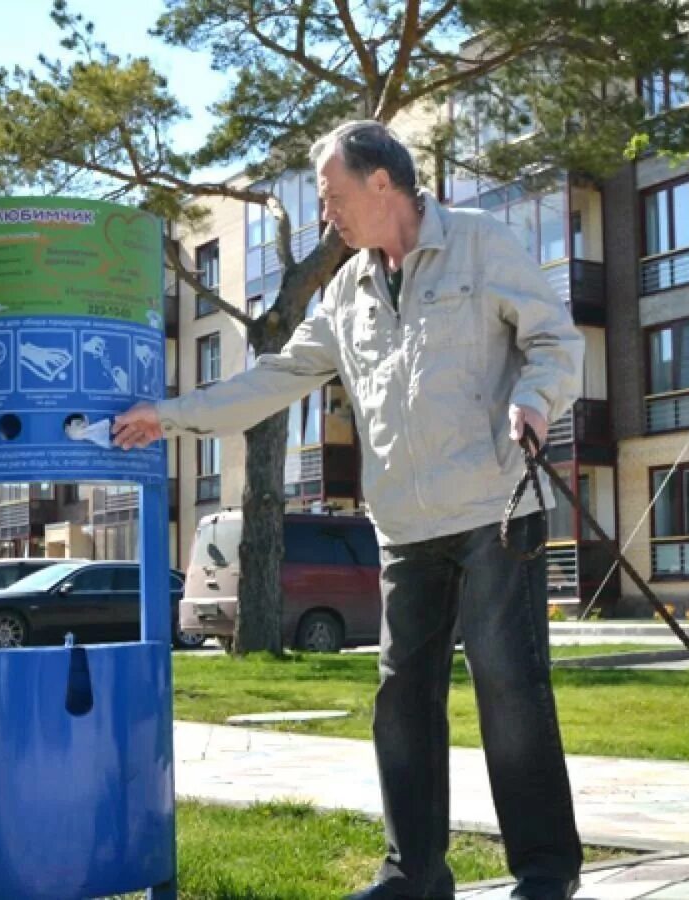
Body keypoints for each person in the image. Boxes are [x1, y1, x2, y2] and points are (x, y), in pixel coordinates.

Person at [112, 120, 585, 900]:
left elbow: (554, 343)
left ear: (381, 183)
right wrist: (172, 415)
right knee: (402, 703)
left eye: (331, 196)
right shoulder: (345, 291)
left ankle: (543, 872)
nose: (324, 213)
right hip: (404, 527)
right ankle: (414, 874)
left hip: (492, 507)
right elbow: (276, 377)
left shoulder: (478, 243)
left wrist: (534, 402)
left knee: (510, 691)